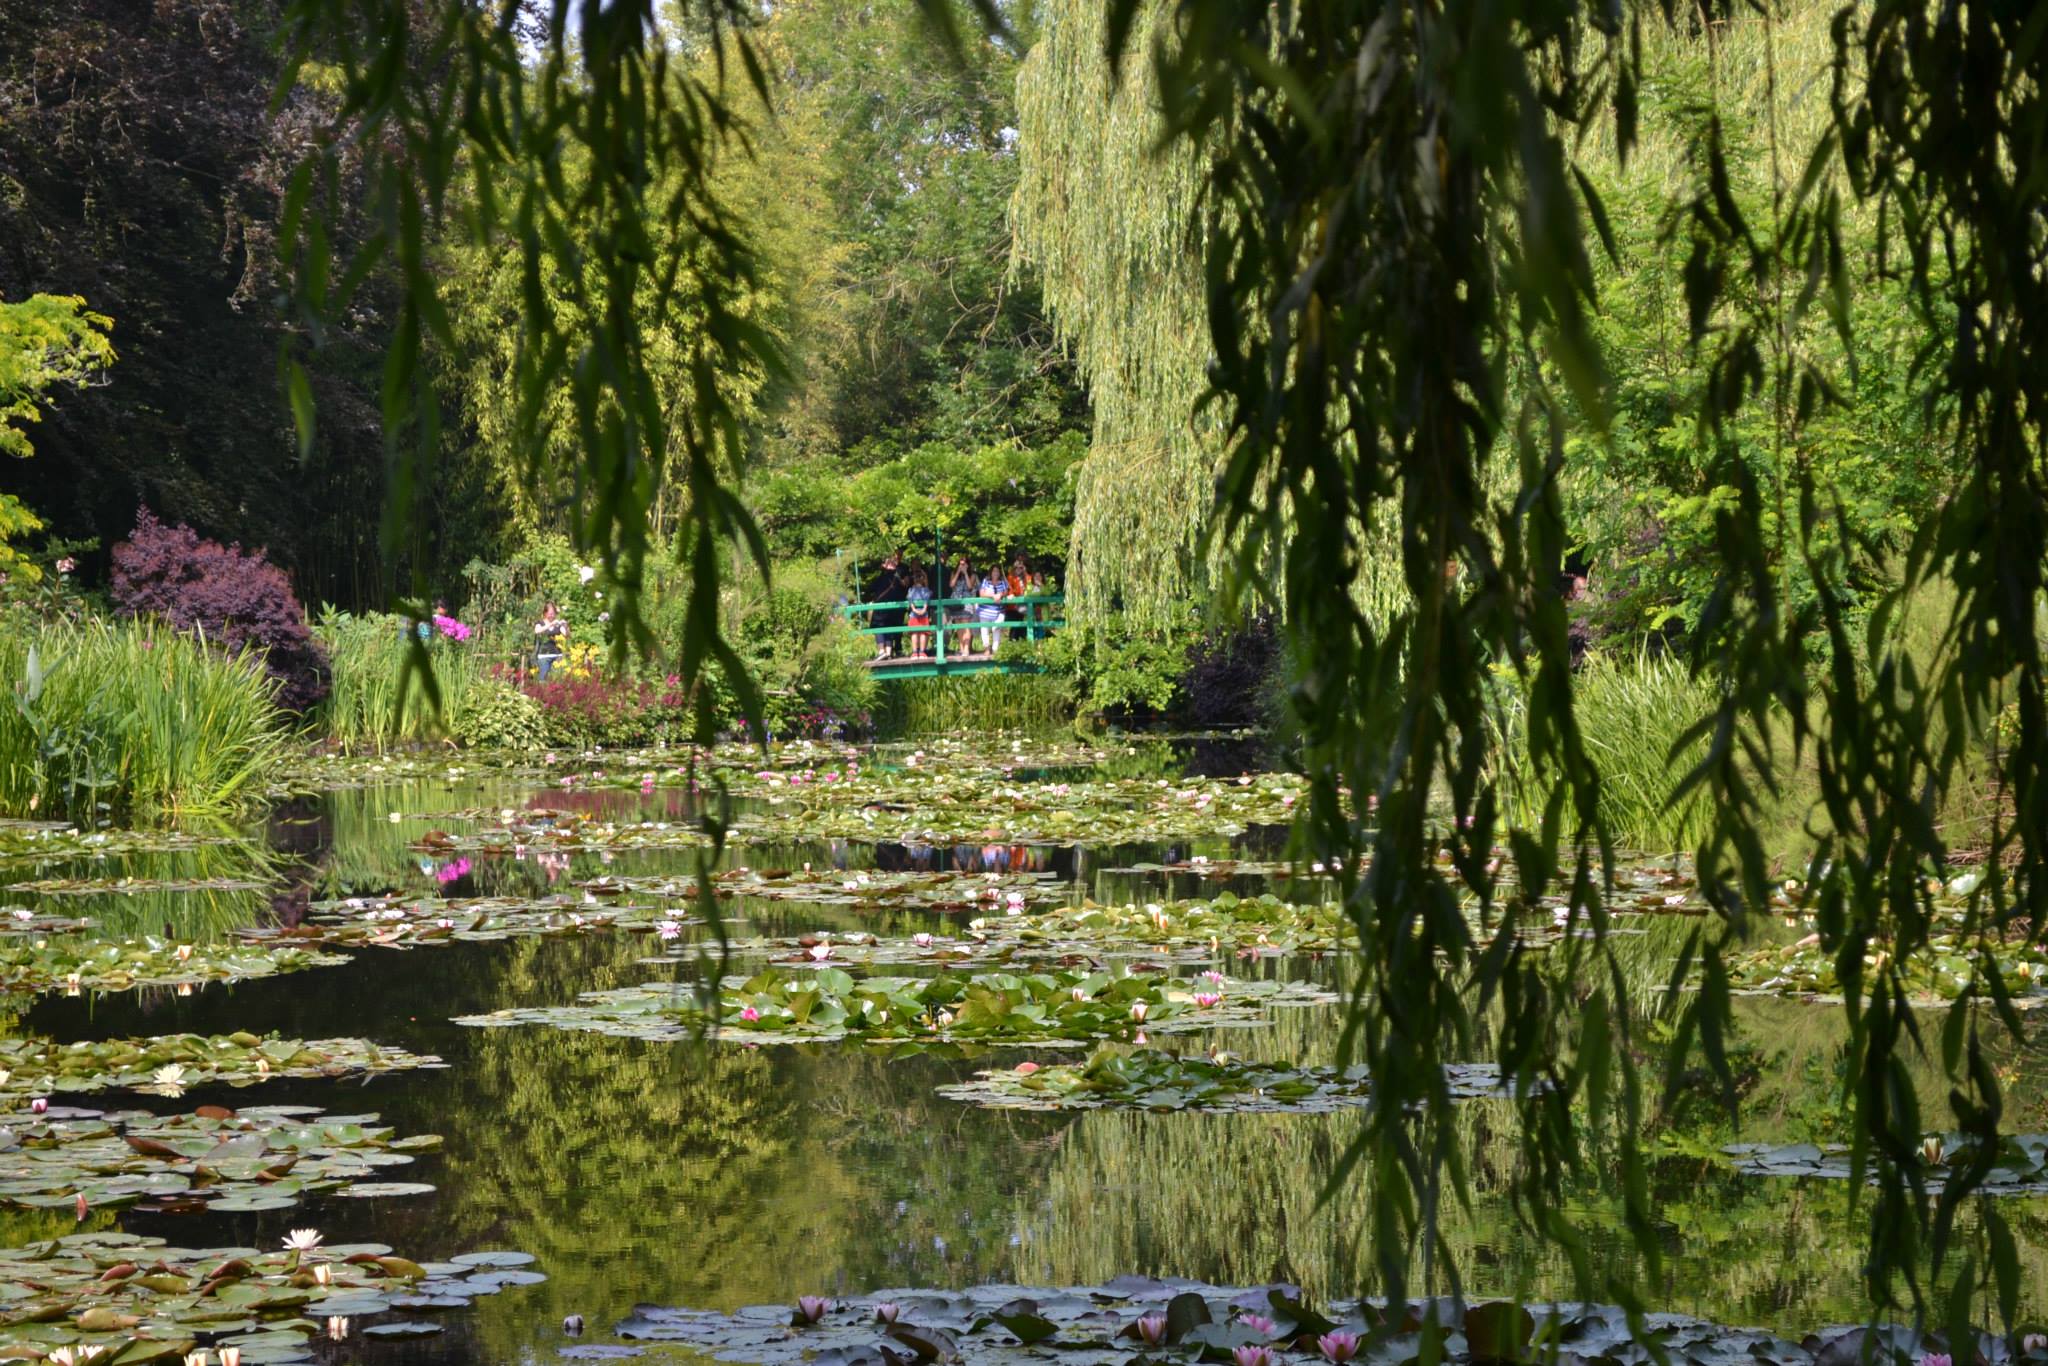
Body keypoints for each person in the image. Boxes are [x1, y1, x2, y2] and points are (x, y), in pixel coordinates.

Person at [866, 551, 905, 660]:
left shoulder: (883, 576)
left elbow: (871, 588)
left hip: (882, 607)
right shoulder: (898, 577)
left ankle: (881, 651)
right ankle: (888, 652)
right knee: (889, 628)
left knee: (879, 627)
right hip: (893, 609)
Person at [946, 555, 977, 658]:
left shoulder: (972, 574)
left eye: (964, 563)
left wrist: (965, 573)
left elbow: (969, 586)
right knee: (959, 627)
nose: (962, 565)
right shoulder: (954, 573)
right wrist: (959, 572)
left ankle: (967, 649)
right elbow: (951, 585)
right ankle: (961, 648)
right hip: (955, 602)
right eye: (961, 563)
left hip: (966, 602)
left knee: (966, 626)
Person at [977, 564, 1007, 654]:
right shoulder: (986, 581)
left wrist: (1000, 594)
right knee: (984, 629)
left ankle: (995, 649)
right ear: (991, 572)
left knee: (996, 628)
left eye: (997, 571)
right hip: (985, 609)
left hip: (998, 610)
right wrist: (993, 595)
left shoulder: (1002, 582)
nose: (995, 573)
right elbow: (981, 593)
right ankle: (986, 647)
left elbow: (1006, 592)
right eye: (994, 571)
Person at [904, 568, 934, 658]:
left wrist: (914, 609)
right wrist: (924, 609)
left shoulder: (911, 590)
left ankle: (914, 652)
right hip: (923, 614)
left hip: (914, 614)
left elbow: (909, 599)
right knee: (923, 633)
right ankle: (922, 652)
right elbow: (928, 597)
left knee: (914, 633)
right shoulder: (925, 590)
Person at [533, 602, 567, 679]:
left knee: (557, 679)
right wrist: (550, 625)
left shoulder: (557, 624)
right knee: (543, 679)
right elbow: (537, 631)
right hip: (544, 656)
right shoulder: (540, 623)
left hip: (557, 656)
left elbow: (566, 635)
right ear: (545, 613)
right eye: (550, 613)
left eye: (554, 613)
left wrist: (566, 626)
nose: (552, 615)